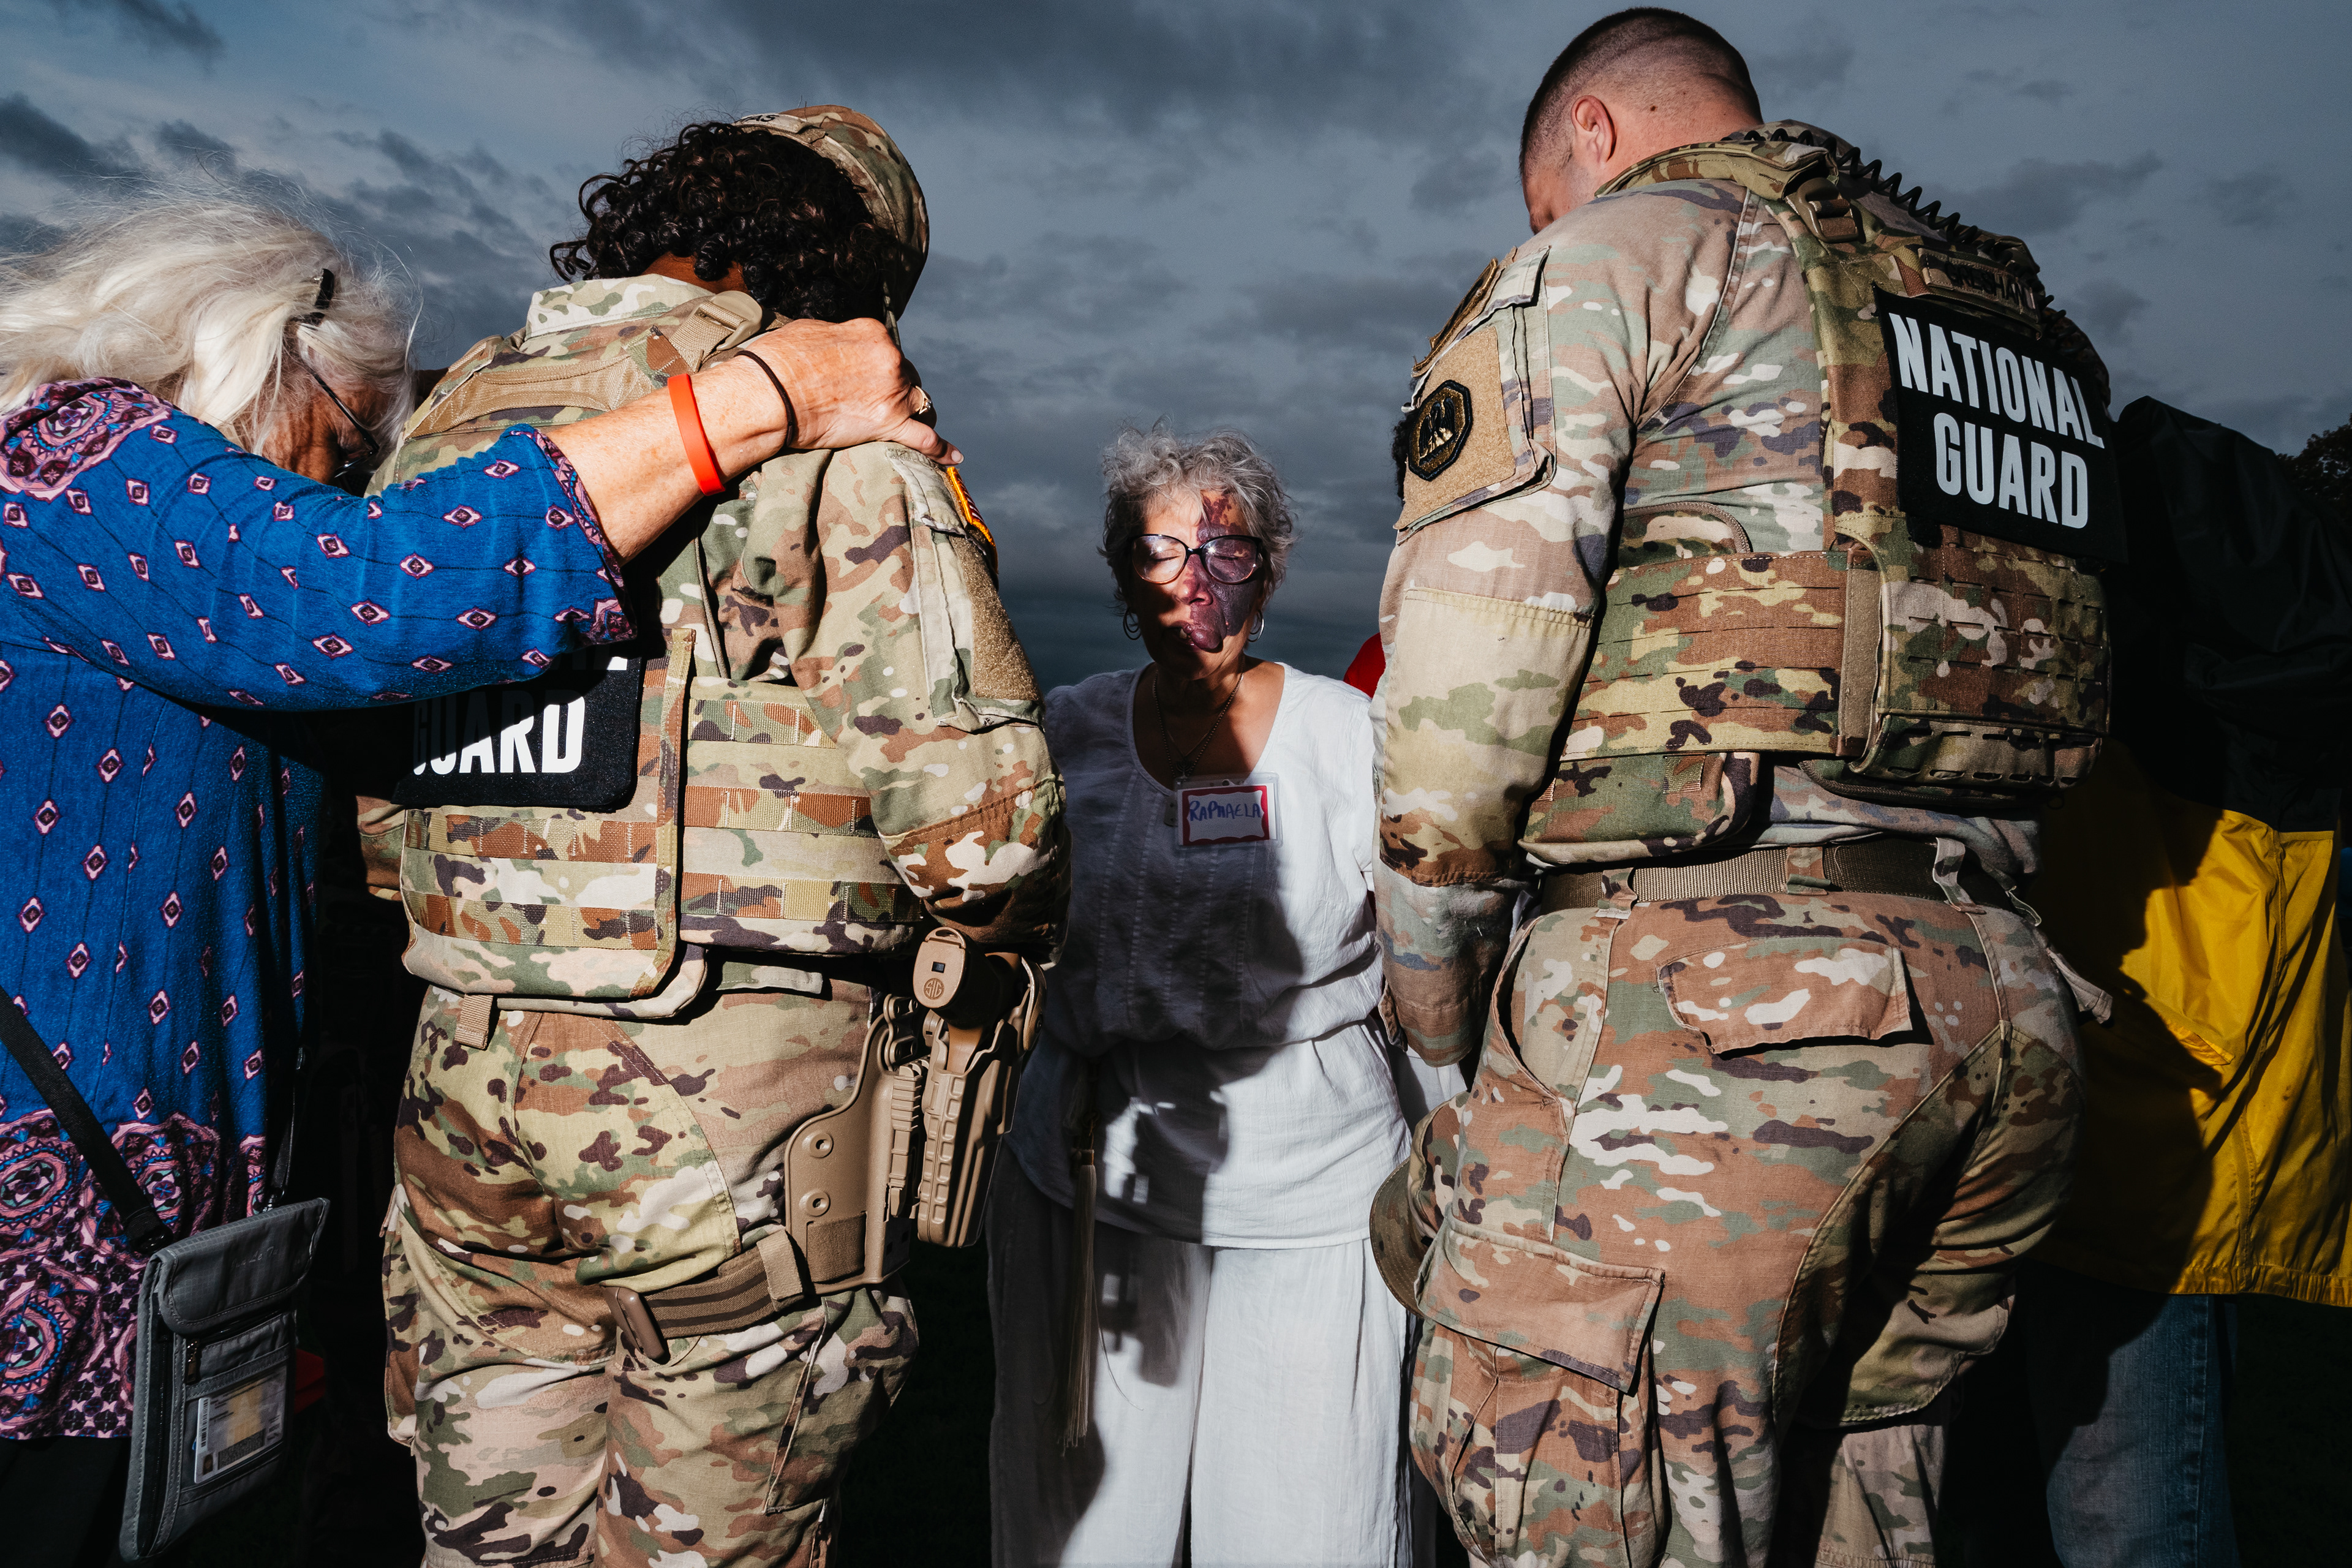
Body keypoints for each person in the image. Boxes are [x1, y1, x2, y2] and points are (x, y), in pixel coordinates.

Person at [0, 190, 936, 1565]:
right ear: (268, 353)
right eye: (344, 440)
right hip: (44, 1236)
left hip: (137, 1232)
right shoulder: (67, 455)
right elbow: (366, 591)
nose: (342, 479)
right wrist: (760, 397)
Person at [1370, 10, 2113, 1565]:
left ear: (1590, 133)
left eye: (1545, 200)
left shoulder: (1624, 253)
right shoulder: (2011, 327)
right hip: (1999, 1009)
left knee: (1594, 1504)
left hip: (1716, 1040)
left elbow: (1460, 703)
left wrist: (1442, 1014)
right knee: (1870, 1513)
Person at [369, 109, 1065, 1568]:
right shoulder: (831, 422)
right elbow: (986, 841)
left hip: (463, 1083)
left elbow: (382, 809)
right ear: (843, 268)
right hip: (734, 1119)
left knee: (487, 1534)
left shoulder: (450, 423)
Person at [987, 426, 1447, 1568]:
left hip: (1313, 1192)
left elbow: (1432, 951)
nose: (1196, 584)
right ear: (1122, 575)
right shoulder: (1067, 732)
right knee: (1078, 1526)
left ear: (1270, 572)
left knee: (1314, 1528)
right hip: (1095, 1177)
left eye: (1227, 554)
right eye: (1161, 553)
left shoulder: (1350, 737)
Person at [1948, 401, 2352, 1568]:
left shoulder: (2214, 698)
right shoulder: (2122, 694)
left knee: (2128, 1528)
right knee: (2009, 1517)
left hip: (2149, 1160)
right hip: (2062, 1131)